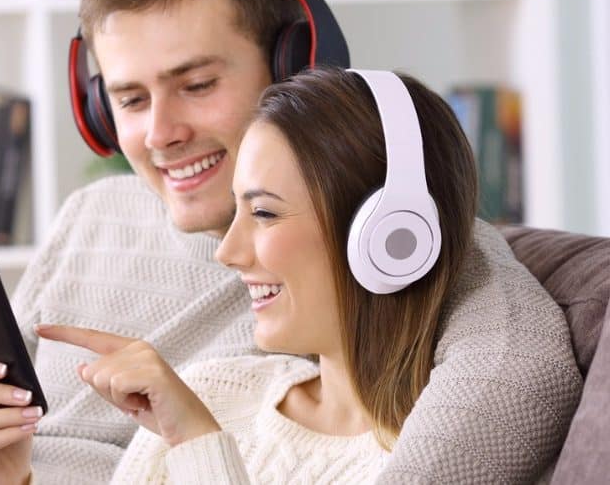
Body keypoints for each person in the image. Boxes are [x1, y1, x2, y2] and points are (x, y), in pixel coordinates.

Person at [0, 0, 582, 484]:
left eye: (196, 84)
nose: (161, 133)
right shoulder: (95, 217)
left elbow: (523, 374)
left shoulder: (392, 251)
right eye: (128, 98)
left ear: (297, 67)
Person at [31, 66, 565, 484]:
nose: (229, 252)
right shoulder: (211, 391)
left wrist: (200, 446)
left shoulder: (446, 461)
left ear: (392, 237)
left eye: (263, 213)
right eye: (236, 211)